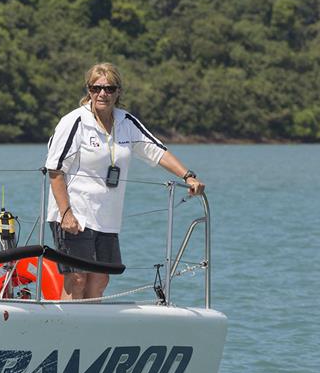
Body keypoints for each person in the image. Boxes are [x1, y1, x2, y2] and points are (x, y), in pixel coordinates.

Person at [45, 63, 205, 301]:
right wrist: (65, 212)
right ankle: (68, 330)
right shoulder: (74, 122)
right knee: (77, 278)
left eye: (109, 88)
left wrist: (187, 176)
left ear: (118, 91)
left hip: (107, 216)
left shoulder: (126, 121)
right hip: (74, 212)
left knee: (100, 279)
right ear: (88, 90)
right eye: (96, 88)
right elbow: (55, 170)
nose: (102, 94)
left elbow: (156, 151)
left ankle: (90, 331)